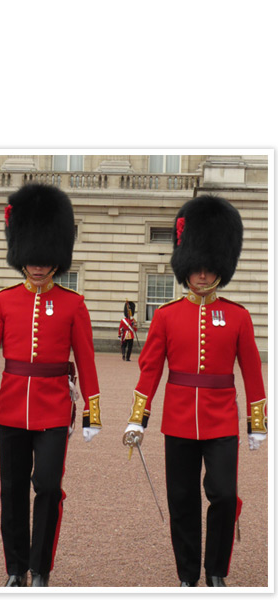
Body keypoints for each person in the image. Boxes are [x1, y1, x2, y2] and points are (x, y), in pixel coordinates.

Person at [0, 184, 101, 588]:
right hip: (11, 407)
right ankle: (16, 568)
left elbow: (86, 360)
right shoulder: (4, 301)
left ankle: (42, 567)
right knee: (12, 492)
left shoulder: (73, 304)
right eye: (32, 259)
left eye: (45, 260)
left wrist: (92, 410)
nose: (38, 267)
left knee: (50, 488)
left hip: (54, 408)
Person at [123, 195, 266, 587]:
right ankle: (188, 576)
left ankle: (216, 570)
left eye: (208, 268)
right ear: (186, 268)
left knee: (222, 495)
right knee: (182, 502)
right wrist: (138, 416)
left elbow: (251, 371)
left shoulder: (237, 316)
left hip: (222, 421)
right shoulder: (167, 316)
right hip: (179, 421)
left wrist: (257, 421)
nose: (202, 276)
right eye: (196, 268)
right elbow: (150, 369)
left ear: (219, 267)